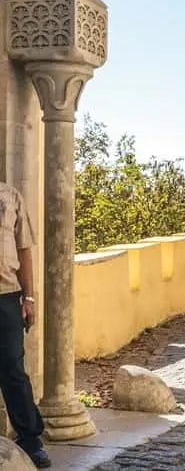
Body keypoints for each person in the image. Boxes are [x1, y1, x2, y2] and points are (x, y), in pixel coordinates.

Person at [0, 181, 51, 468]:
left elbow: (24, 249)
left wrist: (28, 297)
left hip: (7, 296)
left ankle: (30, 441)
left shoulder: (10, 195)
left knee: (13, 369)